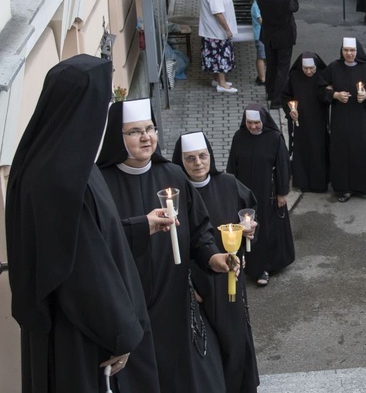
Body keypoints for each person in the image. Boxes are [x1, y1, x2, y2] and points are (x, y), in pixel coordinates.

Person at [6, 55, 159, 392]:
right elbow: (83, 271)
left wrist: (138, 227)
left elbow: (96, 237)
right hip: (79, 339)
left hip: (70, 330)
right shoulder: (62, 180)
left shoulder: (44, 161)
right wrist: (122, 333)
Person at [97, 98, 236, 393]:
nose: (146, 137)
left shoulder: (172, 176)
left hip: (175, 305)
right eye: (134, 132)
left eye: (150, 128)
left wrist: (214, 258)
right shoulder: (100, 184)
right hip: (130, 309)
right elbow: (95, 243)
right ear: (116, 137)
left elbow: (199, 232)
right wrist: (141, 226)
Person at [172, 132, 261, 393]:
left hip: (229, 279)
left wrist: (251, 232)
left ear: (211, 156)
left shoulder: (230, 184)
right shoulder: (177, 195)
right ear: (181, 161)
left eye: (202, 156)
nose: (198, 163)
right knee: (203, 349)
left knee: (234, 342)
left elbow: (251, 221)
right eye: (190, 159)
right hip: (195, 285)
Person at [227, 104, 295, 286]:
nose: (253, 127)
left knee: (265, 230)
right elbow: (232, 165)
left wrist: (282, 193)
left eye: (256, 123)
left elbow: (282, 166)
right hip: (245, 192)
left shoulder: (274, 138)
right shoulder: (239, 137)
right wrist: (230, 190)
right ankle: (247, 265)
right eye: (249, 122)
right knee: (247, 229)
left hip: (268, 193)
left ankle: (264, 267)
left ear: (263, 121)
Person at [320, 38, 366, 202]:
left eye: (352, 50)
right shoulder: (334, 67)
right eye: (346, 50)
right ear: (342, 51)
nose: (349, 54)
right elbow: (319, 87)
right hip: (340, 118)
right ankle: (344, 188)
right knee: (341, 150)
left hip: (360, 118)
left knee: (360, 149)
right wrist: (334, 95)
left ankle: (361, 186)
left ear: (358, 51)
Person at [281, 52, 330, 193]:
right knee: (301, 151)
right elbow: (285, 96)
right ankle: (302, 181)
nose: (309, 72)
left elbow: (328, 96)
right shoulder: (294, 77)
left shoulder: (322, 75)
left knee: (318, 150)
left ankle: (319, 183)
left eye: (311, 69)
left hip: (318, 121)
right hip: (300, 121)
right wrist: (290, 110)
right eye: (305, 69)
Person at [256, 0, 299, 109]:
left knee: (272, 65)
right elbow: (295, 7)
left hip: (268, 35)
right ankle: (277, 100)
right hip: (284, 38)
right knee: (283, 68)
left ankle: (270, 92)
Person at [199, 0, 239, 93]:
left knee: (214, 56)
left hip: (210, 30)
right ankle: (222, 84)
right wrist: (227, 29)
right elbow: (217, 12)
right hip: (216, 31)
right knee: (220, 56)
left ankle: (216, 79)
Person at [251, 0, 266, 86]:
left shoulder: (262, 4)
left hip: (264, 35)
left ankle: (263, 76)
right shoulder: (255, 6)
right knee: (261, 57)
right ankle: (262, 78)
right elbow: (261, 21)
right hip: (260, 36)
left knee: (265, 56)